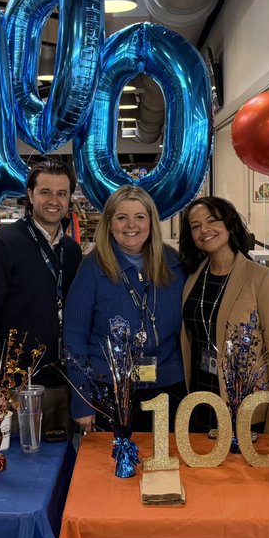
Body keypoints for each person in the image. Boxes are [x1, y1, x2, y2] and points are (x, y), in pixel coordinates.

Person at [0, 159, 83, 437]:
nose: (53, 200)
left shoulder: (72, 251)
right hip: (17, 387)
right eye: (45, 192)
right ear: (30, 195)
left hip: (64, 382)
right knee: (21, 467)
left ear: (70, 199)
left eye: (61, 193)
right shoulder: (1, 246)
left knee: (65, 464)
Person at [64, 184, 185, 433]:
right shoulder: (92, 268)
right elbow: (74, 339)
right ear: (109, 223)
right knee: (113, 469)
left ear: (151, 221)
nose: (132, 225)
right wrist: (83, 400)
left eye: (140, 217)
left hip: (168, 389)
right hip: (109, 391)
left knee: (167, 468)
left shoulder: (174, 263)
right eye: (122, 218)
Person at [179, 196, 269, 433]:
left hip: (245, 408)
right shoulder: (192, 279)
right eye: (195, 226)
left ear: (229, 225)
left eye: (211, 221)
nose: (204, 230)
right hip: (200, 400)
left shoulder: (262, 279)